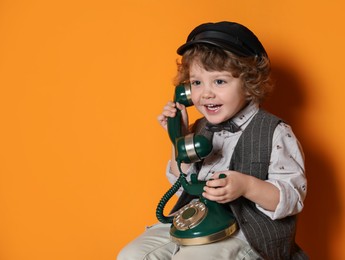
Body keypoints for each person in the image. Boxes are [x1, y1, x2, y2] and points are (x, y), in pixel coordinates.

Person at [117, 21, 308, 260]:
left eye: (219, 81)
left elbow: (291, 199)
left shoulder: (275, 132)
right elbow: (182, 187)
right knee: (132, 255)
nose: (206, 93)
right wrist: (179, 137)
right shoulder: (200, 128)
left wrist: (247, 186)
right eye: (197, 82)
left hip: (247, 233)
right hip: (198, 223)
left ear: (249, 84)